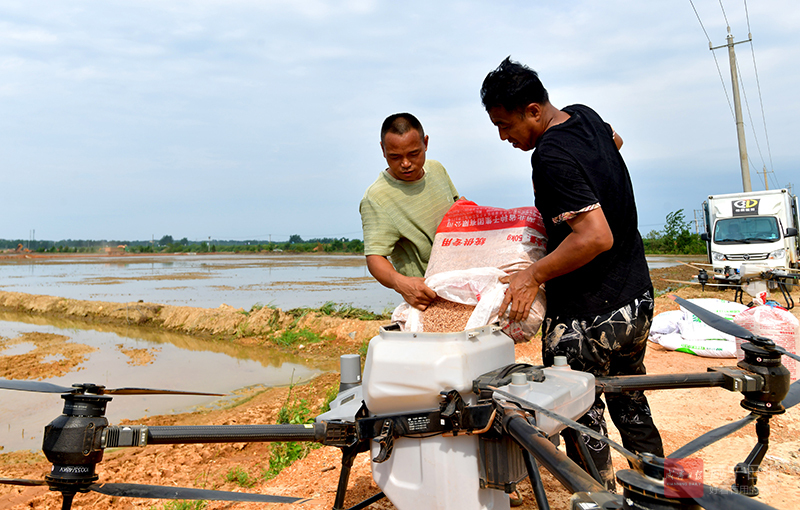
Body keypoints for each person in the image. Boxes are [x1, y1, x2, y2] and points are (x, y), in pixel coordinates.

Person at [480, 57, 664, 489]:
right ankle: (661, 490)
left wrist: (533, 275)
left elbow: (596, 236)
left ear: (533, 110)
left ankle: (597, 497)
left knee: (579, 417)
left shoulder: (549, 155)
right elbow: (615, 142)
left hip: (589, 316)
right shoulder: (585, 115)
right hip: (636, 299)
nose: (504, 137)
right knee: (630, 400)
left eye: (505, 125)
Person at [359, 113, 460, 310]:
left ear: (425, 143)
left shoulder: (437, 169)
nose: (405, 163)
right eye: (395, 157)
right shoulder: (377, 197)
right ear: (382, 149)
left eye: (414, 154)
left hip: (462, 287)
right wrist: (401, 284)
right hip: (428, 298)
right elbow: (375, 257)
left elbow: (458, 210)